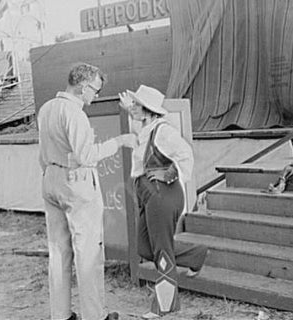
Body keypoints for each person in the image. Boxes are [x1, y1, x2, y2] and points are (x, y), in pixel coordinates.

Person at [38, 63, 136, 320]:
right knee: (89, 251)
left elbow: (42, 152)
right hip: (76, 181)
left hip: (50, 176)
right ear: (83, 87)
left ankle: (60, 315)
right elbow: (86, 156)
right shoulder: (75, 113)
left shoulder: (47, 108)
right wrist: (118, 142)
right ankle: (94, 315)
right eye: (95, 89)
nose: (96, 95)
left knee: (58, 251)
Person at [119, 85, 208, 319]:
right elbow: (139, 141)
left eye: (137, 105)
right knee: (144, 247)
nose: (132, 107)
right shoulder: (147, 127)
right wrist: (130, 111)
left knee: (161, 251)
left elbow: (185, 154)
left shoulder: (163, 131)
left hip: (162, 195)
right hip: (149, 194)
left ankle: (164, 307)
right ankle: (195, 255)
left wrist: (171, 173)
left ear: (148, 110)